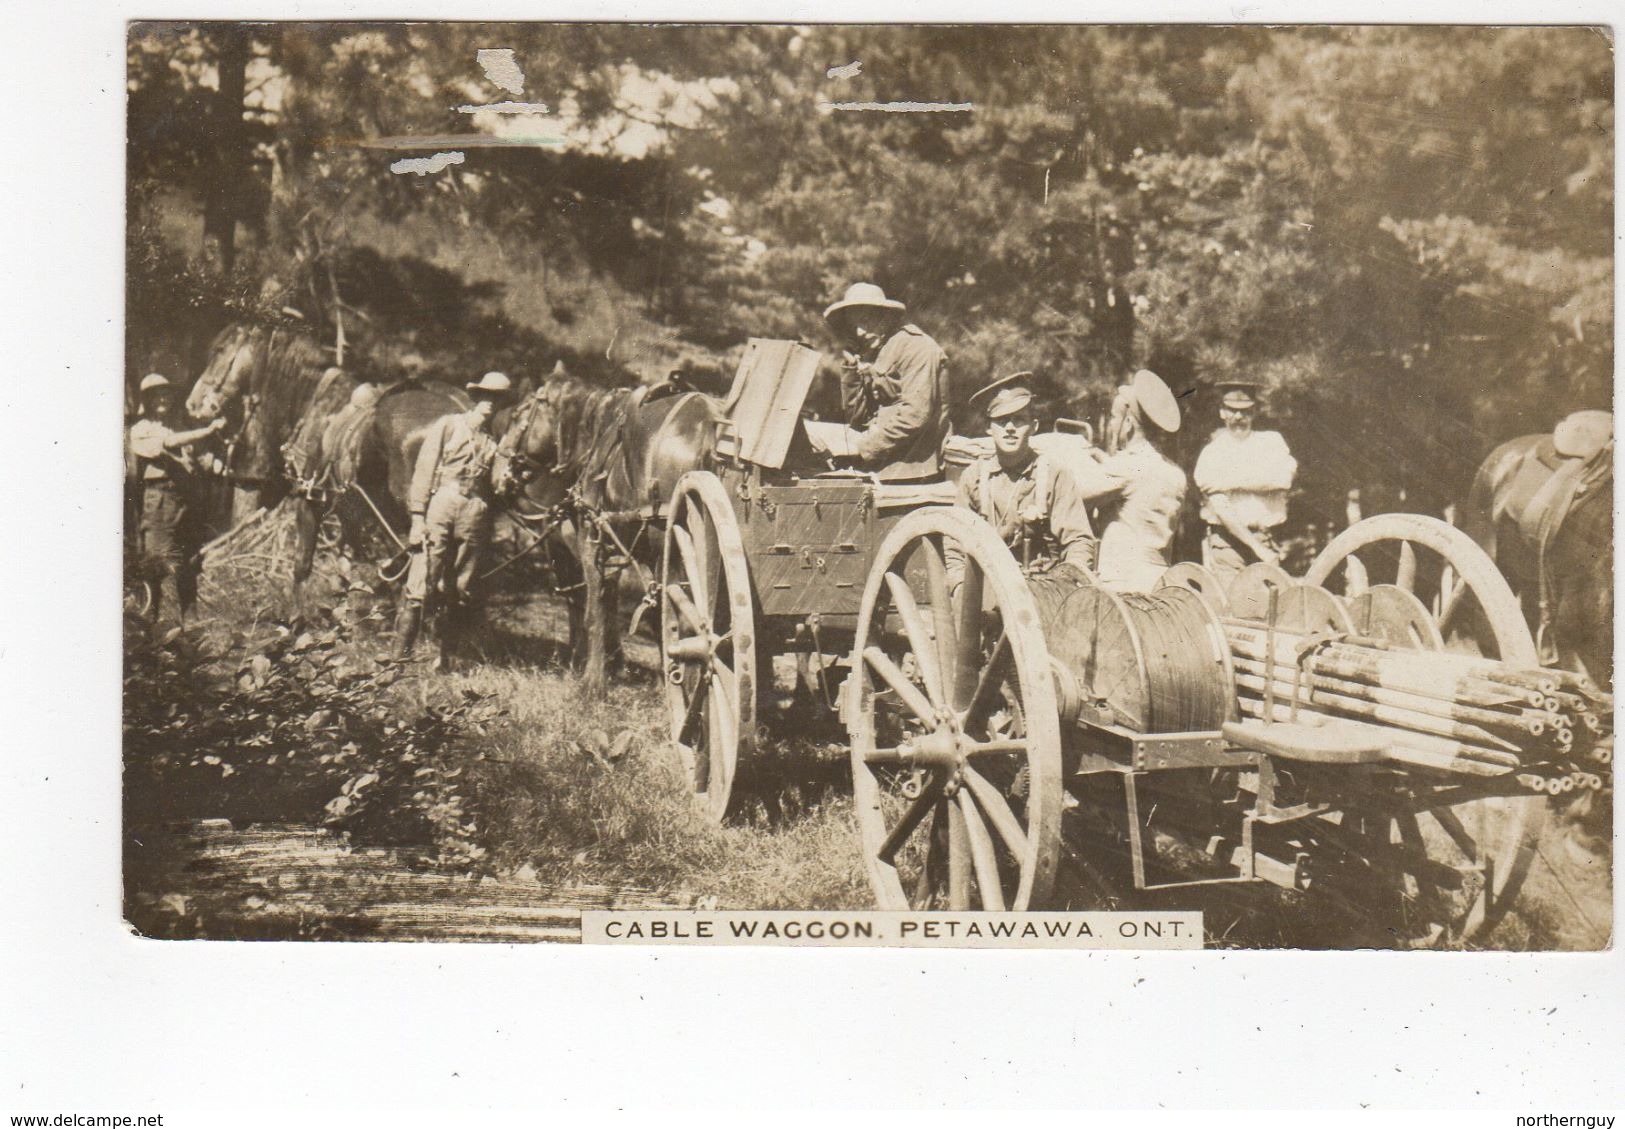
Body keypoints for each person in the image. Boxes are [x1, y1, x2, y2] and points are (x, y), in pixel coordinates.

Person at [393, 371, 514, 670]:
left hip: (474, 512)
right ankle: (396, 660)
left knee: (460, 589)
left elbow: (499, 486)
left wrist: (506, 480)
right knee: (421, 580)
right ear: (476, 397)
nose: (490, 403)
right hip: (442, 503)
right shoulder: (449, 426)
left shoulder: (495, 444)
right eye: (486, 395)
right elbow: (424, 470)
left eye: (496, 398)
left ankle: (444, 658)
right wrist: (418, 518)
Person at [946, 373, 1097, 614]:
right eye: (1001, 420)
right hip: (985, 600)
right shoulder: (973, 478)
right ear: (988, 428)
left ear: (1034, 426)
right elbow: (955, 547)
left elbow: (1078, 542)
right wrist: (962, 591)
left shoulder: (1055, 477)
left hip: (1044, 601)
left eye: (1019, 420)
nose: (1009, 429)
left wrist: (1066, 593)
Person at [812, 282, 949, 481]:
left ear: (886, 316)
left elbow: (915, 415)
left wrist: (863, 448)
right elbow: (856, 418)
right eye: (854, 325)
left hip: (915, 467)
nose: (859, 332)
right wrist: (851, 370)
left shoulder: (916, 347)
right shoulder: (876, 350)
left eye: (866, 321)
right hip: (883, 460)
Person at [126, 373, 228, 627]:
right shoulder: (141, 429)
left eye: (167, 393)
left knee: (189, 559)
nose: (163, 399)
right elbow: (169, 443)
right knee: (158, 562)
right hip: (158, 500)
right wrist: (206, 430)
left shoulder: (180, 425)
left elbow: (197, 454)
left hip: (185, 498)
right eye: (157, 394)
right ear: (147, 400)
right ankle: (156, 623)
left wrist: (215, 463)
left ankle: (190, 620)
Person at [1080, 369, 1188, 593]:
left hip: (1121, 580)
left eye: (1112, 417)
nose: (1110, 424)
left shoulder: (1126, 467)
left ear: (1128, 423)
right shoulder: (1174, 471)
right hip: (1158, 581)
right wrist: (1104, 459)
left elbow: (1076, 496)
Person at [1193, 377, 1298, 581]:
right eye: (1232, 410)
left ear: (1254, 411)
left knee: (1269, 606)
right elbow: (1221, 508)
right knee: (1232, 606)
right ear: (1222, 412)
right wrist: (1257, 548)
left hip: (1268, 538)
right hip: (1228, 545)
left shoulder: (1271, 442)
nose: (1239, 416)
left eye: (1246, 411)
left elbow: (1283, 480)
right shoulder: (1212, 453)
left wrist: (1232, 482)